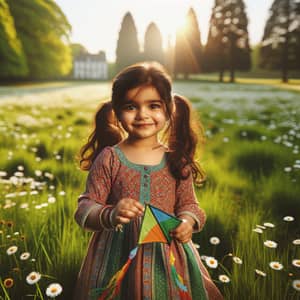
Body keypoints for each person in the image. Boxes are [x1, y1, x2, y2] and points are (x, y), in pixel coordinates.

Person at [74, 62, 223, 300]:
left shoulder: (176, 160)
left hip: (168, 257)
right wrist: (111, 214)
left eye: (153, 105)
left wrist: (187, 222)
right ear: (116, 110)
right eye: (131, 106)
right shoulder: (110, 158)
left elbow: (190, 206)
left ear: (169, 109)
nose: (142, 115)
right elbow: (85, 209)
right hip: (117, 258)